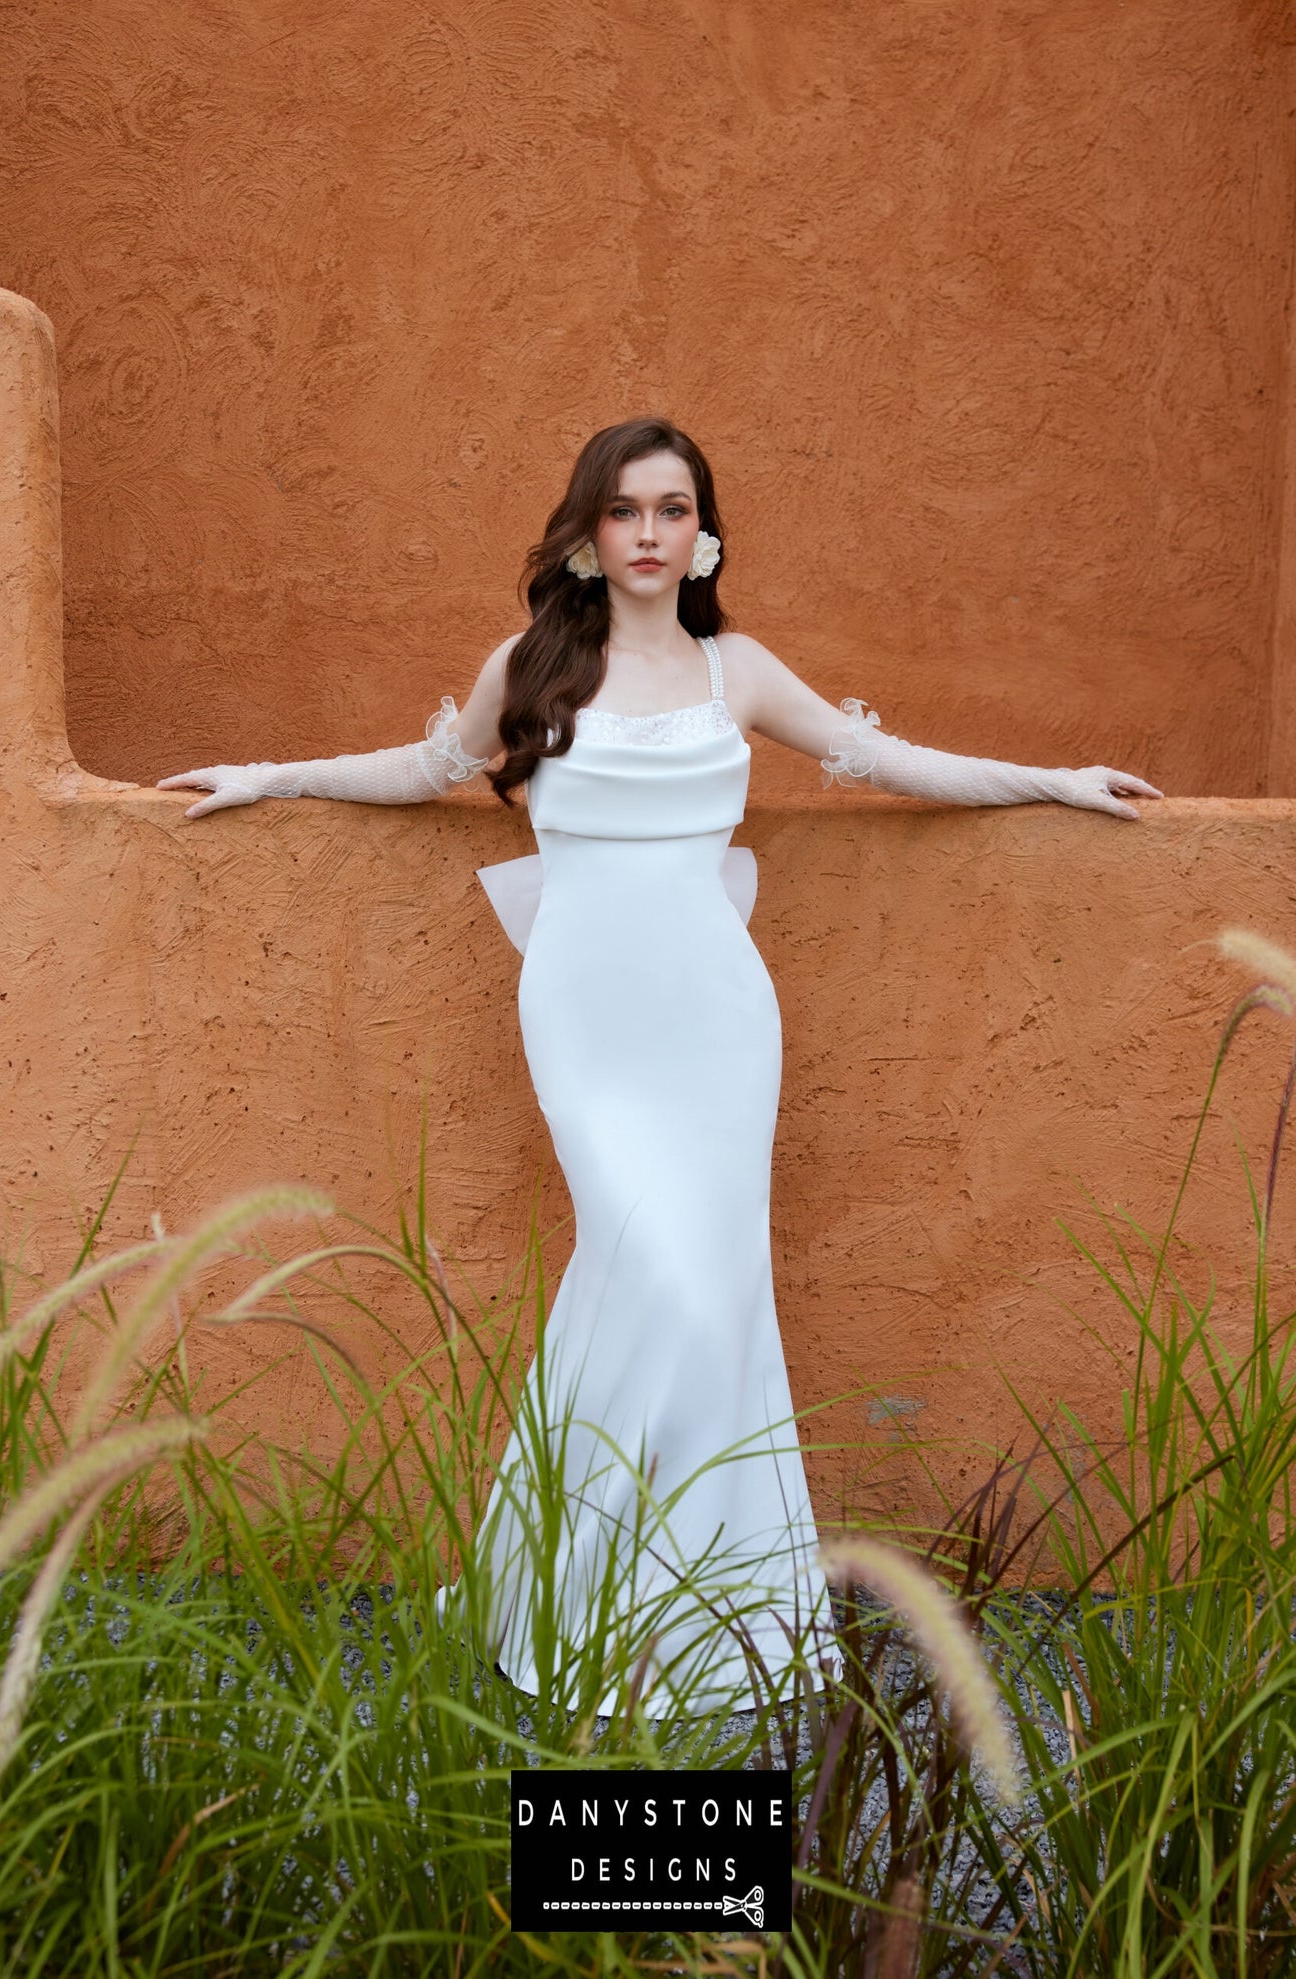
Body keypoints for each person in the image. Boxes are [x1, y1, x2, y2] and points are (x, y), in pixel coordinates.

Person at [158, 415, 1162, 1716]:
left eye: (671, 509)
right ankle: (568, 1596)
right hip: (582, 1011)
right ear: (586, 533)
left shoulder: (732, 670)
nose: (646, 532)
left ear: (703, 535)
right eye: (624, 509)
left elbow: (893, 761)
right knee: (638, 1267)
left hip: (716, 1017)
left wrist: (1054, 780)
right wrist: (266, 773)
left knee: (709, 1293)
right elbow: (422, 771)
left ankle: (706, 1614)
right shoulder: (529, 666)